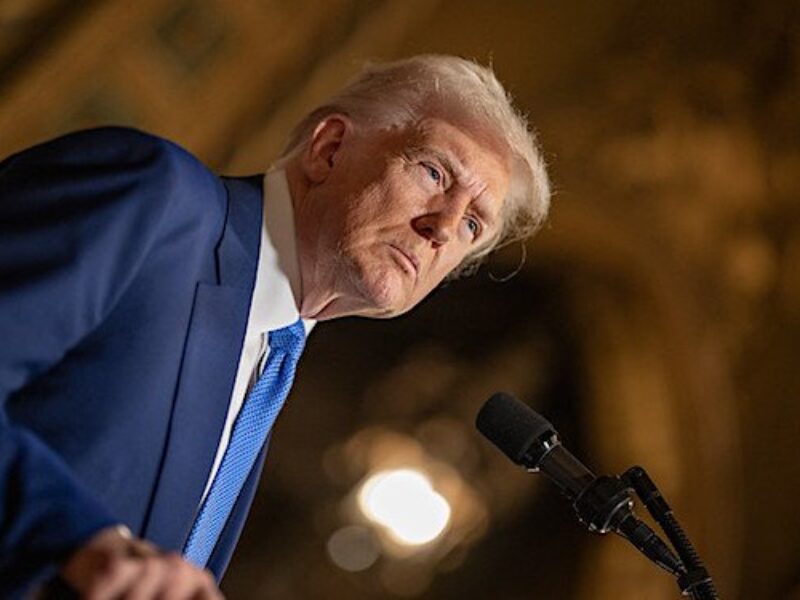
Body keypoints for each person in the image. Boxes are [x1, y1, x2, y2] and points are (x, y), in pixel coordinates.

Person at [0, 54, 550, 598]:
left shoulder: (272, 362)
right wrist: (76, 540)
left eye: (473, 226)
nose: (443, 228)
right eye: (434, 173)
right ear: (329, 148)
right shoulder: (159, 202)